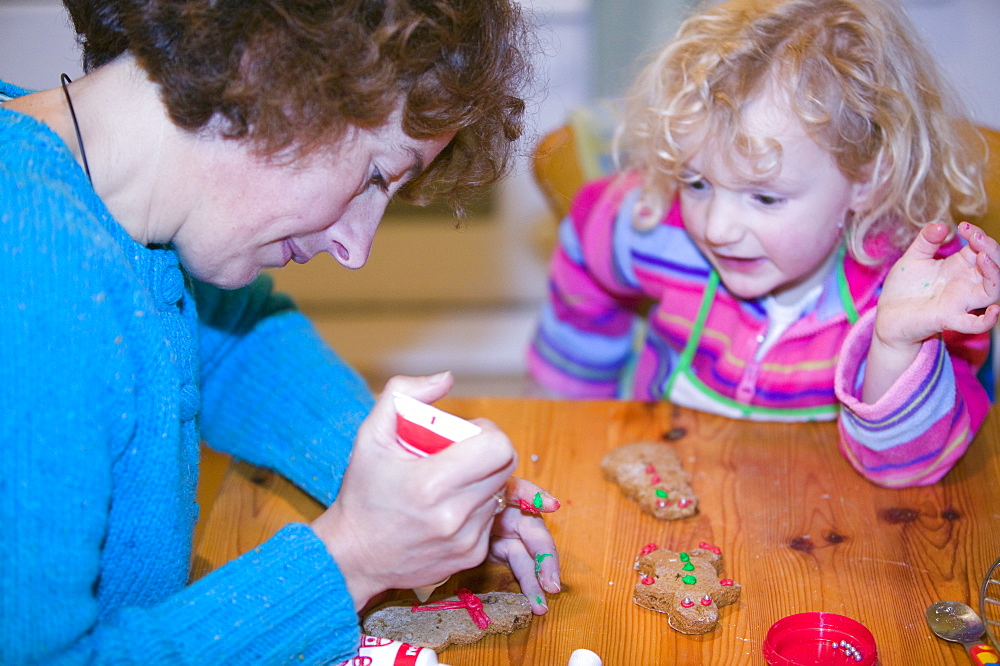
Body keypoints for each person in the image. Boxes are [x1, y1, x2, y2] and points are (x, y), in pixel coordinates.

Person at [0, 0, 562, 663]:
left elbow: (233, 343)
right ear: (267, 70)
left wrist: (400, 479)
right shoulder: (30, 269)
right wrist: (353, 557)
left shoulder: (113, 203)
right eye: (376, 175)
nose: (357, 248)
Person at [527, 0, 1000, 488]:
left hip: (829, 518)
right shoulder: (652, 226)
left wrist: (896, 344)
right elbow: (587, 241)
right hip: (671, 478)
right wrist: (576, 405)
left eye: (765, 196)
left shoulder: (919, 295)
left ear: (868, 178)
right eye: (696, 182)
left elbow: (908, 468)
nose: (717, 228)